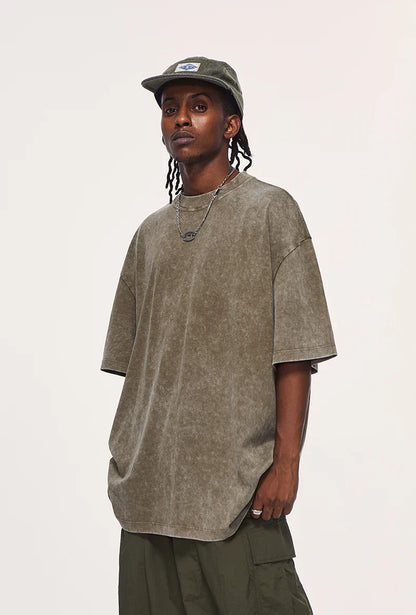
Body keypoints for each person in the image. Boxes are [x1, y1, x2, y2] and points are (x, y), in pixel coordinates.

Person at [100, 55, 338, 614]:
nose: (181, 119)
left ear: (231, 125)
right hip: (148, 501)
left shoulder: (271, 211)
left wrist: (286, 464)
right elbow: (138, 371)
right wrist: (127, 462)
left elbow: (296, 352)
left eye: (200, 107)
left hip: (236, 496)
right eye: (170, 109)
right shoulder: (150, 234)